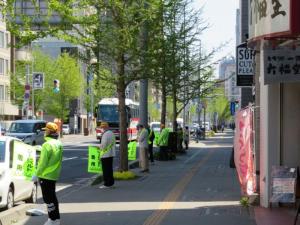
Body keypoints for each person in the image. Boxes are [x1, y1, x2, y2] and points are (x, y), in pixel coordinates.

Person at [34, 122, 63, 225]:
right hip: (54, 174)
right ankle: (57, 218)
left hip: (45, 175)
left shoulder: (47, 144)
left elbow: (42, 163)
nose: (44, 132)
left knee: (48, 199)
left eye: (46, 130)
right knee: (53, 197)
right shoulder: (59, 143)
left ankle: (52, 219)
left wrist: (36, 174)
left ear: (49, 131)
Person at [99, 122, 116, 188]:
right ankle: (111, 182)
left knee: (105, 169)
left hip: (105, 154)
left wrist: (100, 147)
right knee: (110, 169)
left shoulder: (105, 134)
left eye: (102, 127)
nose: (101, 129)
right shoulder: (111, 133)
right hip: (111, 153)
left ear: (104, 127)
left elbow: (104, 144)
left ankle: (107, 184)